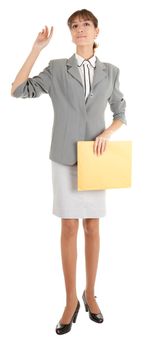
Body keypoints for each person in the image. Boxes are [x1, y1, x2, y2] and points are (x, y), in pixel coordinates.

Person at [11, 9, 127, 335]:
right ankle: (70, 300)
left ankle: (91, 294)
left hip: (96, 158)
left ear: (96, 30)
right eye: (74, 26)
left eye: (85, 25)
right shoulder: (58, 69)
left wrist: (107, 133)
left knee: (92, 226)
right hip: (64, 158)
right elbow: (18, 89)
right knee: (68, 229)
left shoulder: (111, 71)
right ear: (71, 33)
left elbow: (120, 112)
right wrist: (37, 49)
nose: (80, 30)